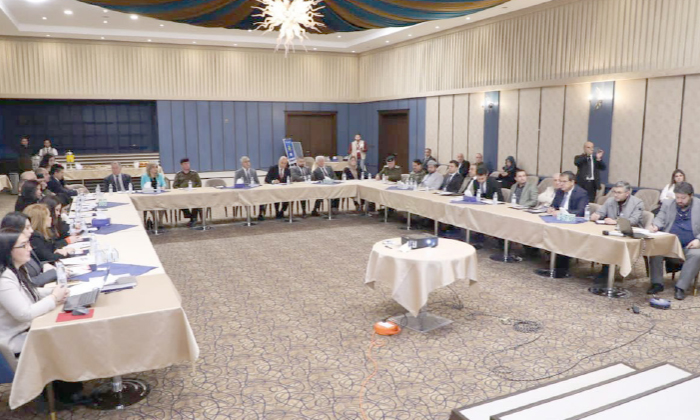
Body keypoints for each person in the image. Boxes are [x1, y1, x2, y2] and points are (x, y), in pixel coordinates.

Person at [0, 228, 68, 363]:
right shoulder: (4, 280)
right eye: (24, 245)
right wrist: (54, 298)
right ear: (8, 251)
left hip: (27, 330)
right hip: (15, 341)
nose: (30, 248)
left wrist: (55, 291)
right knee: (64, 338)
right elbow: (25, 313)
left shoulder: (17, 269)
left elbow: (30, 292)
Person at [647, 182, 700, 300]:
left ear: (691, 196)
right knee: (655, 249)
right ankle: (657, 283)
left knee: (697, 254)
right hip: (669, 243)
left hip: (689, 245)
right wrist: (655, 225)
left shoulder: (699, 205)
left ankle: (681, 287)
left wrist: (698, 240)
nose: (679, 200)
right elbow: (660, 218)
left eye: (683, 198)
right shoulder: (668, 204)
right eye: (677, 197)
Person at [547, 171, 590, 277]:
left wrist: (562, 213)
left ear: (572, 182)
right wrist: (551, 209)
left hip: (574, 223)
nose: (561, 184)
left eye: (564, 182)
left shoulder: (581, 193)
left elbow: (580, 212)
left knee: (561, 235)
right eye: (560, 181)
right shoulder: (560, 191)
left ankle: (561, 268)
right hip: (558, 221)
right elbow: (554, 205)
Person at [1, 212, 58, 287]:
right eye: (27, 228)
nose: (31, 230)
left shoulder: (27, 243)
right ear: (15, 230)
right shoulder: (14, 252)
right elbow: (26, 283)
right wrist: (54, 273)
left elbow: (35, 262)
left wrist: (43, 265)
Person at [173, 158, 203, 227]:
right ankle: (191, 217)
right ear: (182, 165)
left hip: (193, 194)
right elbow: (175, 185)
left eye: (188, 163)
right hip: (182, 195)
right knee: (179, 202)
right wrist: (181, 189)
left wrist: (195, 189)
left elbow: (199, 184)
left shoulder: (194, 173)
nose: (187, 165)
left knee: (197, 202)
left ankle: (193, 219)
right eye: (185, 164)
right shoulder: (178, 174)